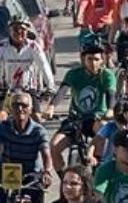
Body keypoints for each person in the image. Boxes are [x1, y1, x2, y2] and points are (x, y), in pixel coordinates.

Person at [50, 42, 117, 173]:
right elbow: (62, 91)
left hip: (96, 118)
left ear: (102, 60)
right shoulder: (73, 74)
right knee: (54, 146)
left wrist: (110, 109)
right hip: (76, 119)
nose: (93, 63)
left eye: (97, 59)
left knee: (103, 129)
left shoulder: (107, 75)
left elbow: (111, 95)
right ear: (83, 60)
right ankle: (65, 180)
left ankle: (98, 169)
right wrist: (51, 107)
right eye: (90, 59)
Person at [0, 18, 56, 117]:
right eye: (15, 29)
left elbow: (44, 65)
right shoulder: (2, 46)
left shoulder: (33, 46)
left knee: (36, 116)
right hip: (5, 89)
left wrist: (50, 87)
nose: (19, 32)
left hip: (28, 88)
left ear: (27, 31)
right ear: (9, 31)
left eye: (22, 29)